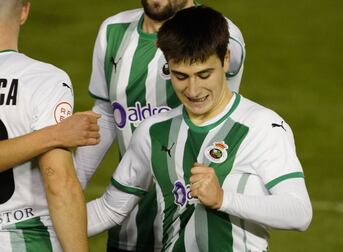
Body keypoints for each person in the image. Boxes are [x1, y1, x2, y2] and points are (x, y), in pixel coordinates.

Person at [86, 5, 313, 252]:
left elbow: (299, 213)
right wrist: (43, 224)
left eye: (204, 75)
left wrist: (223, 199)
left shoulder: (262, 127)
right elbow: (108, 210)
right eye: (180, 76)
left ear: (226, 60)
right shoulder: (153, 132)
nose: (193, 91)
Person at [75, 0, 245, 251]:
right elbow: (107, 114)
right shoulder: (113, 31)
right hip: (129, 220)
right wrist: (70, 185)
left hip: (194, 228)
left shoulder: (219, 35)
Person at [0, 0, 99, 251]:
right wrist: (55, 135)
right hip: (27, 238)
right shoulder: (43, 80)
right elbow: (59, 182)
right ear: (24, 11)